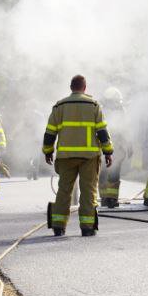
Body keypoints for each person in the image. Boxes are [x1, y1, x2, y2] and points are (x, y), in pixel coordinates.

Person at [43, 75, 113, 236]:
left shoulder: (59, 106)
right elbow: (103, 132)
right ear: (85, 88)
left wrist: (48, 151)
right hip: (89, 157)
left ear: (71, 87)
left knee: (64, 190)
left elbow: (49, 133)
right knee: (88, 191)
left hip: (66, 156)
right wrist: (108, 151)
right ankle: (87, 227)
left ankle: (58, 226)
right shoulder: (94, 105)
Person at [98, 86, 131, 208]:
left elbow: (125, 129)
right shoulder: (116, 110)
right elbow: (126, 129)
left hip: (107, 147)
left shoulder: (100, 110)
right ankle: (110, 199)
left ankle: (106, 198)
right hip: (113, 147)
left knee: (105, 173)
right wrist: (128, 145)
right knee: (111, 173)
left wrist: (128, 145)